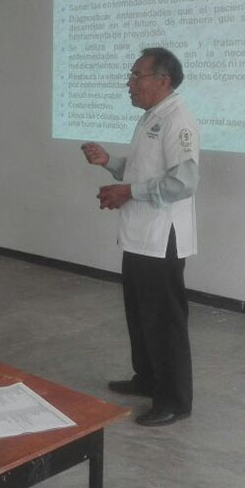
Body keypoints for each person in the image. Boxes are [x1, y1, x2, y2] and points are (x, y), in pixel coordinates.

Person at [81, 47, 199, 427]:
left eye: (136, 76)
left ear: (162, 81)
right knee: (140, 314)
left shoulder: (177, 120)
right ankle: (147, 378)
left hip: (161, 237)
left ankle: (174, 400)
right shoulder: (151, 117)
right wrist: (109, 163)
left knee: (163, 320)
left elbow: (184, 182)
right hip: (138, 235)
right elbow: (140, 171)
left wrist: (128, 192)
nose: (129, 84)